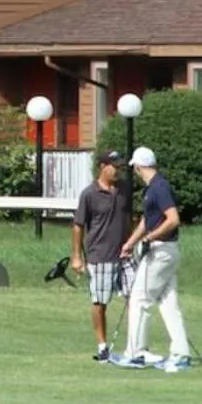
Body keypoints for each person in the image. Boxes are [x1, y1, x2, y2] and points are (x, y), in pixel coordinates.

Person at [120, 146, 193, 371]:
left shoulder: (159, 187)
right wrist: (130, 243)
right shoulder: (153, 189)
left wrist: (149, 239)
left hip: (161, 250)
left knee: (140, 299)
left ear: (139, 166)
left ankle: (136, 352)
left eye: (136, 168)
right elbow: (148, 220)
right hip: (165, 250)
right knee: (168, 302)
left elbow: (172, 219)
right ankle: (181, 353)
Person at [71, 149, 132, 362]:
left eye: (120, 168)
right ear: (102, 167)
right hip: (100, 255)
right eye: (114, 167)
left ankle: (136, 345)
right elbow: (78, 226)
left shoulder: (124, 189)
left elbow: (129, 218)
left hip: (125, 254)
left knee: (136, 298)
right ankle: (102, 345)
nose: (118, 171)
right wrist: (76, 256)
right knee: (100, 301)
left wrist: (133, 243)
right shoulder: (89, 194)